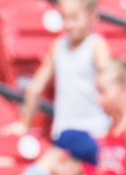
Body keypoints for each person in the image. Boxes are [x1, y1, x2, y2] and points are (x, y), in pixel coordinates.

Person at [19, 0, 109, 142]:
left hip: (95, 132)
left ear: (92, 16)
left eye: (74, 18)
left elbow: (109, 82)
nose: (68, 24)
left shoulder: (97, 46)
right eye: (64, 18)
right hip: (63, 132)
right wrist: (24, 124)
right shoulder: (58, 46)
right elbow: (35, 87)